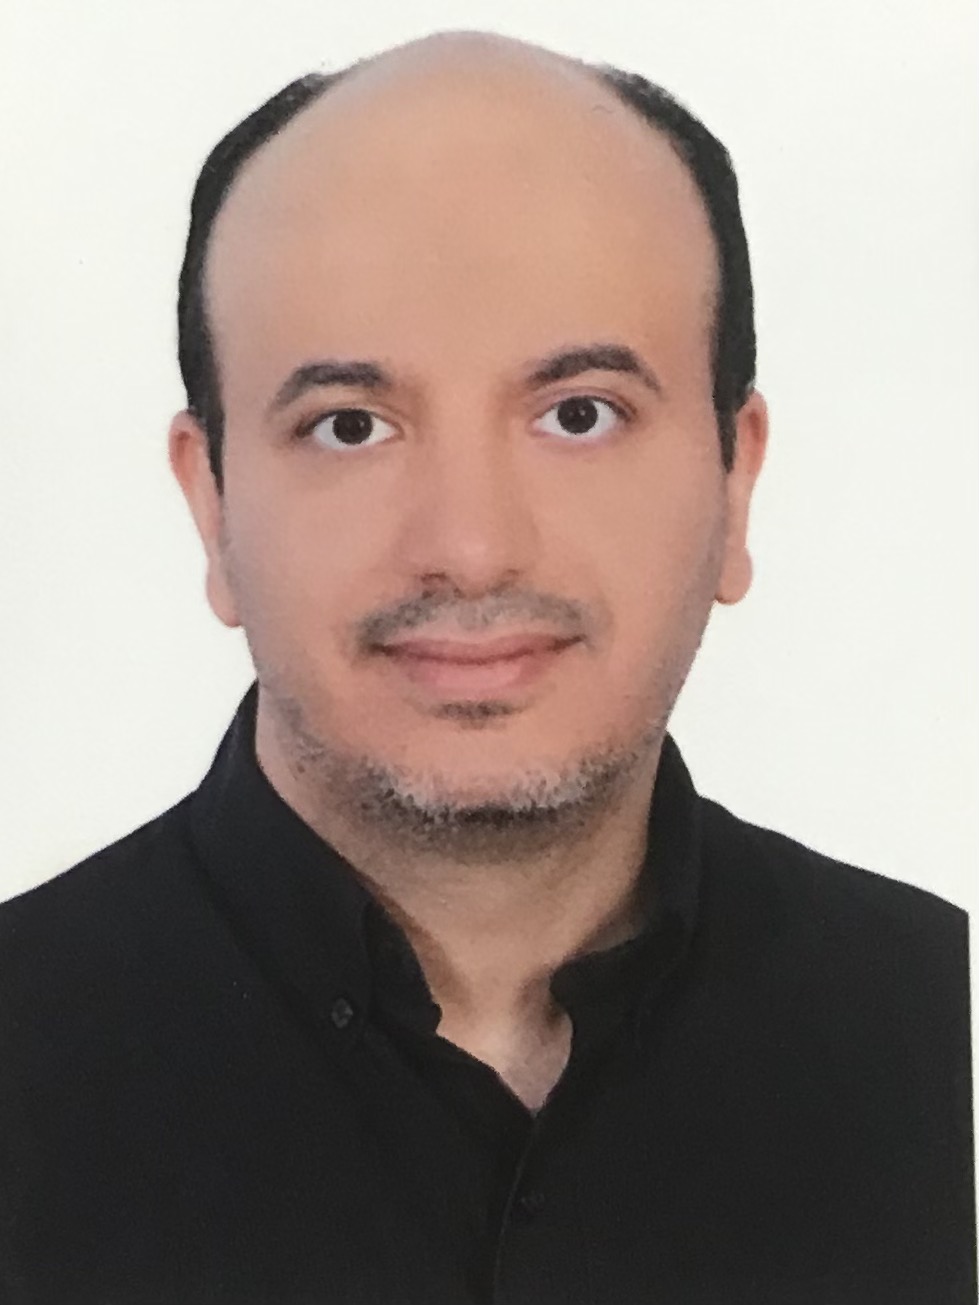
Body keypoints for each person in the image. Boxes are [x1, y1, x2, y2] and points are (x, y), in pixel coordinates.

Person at [0, 28, 973, 1305]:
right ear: (212, 504)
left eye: (580, 413)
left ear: (735, 482)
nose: (468, 547)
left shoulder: (940, 1027)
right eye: (349, 426)